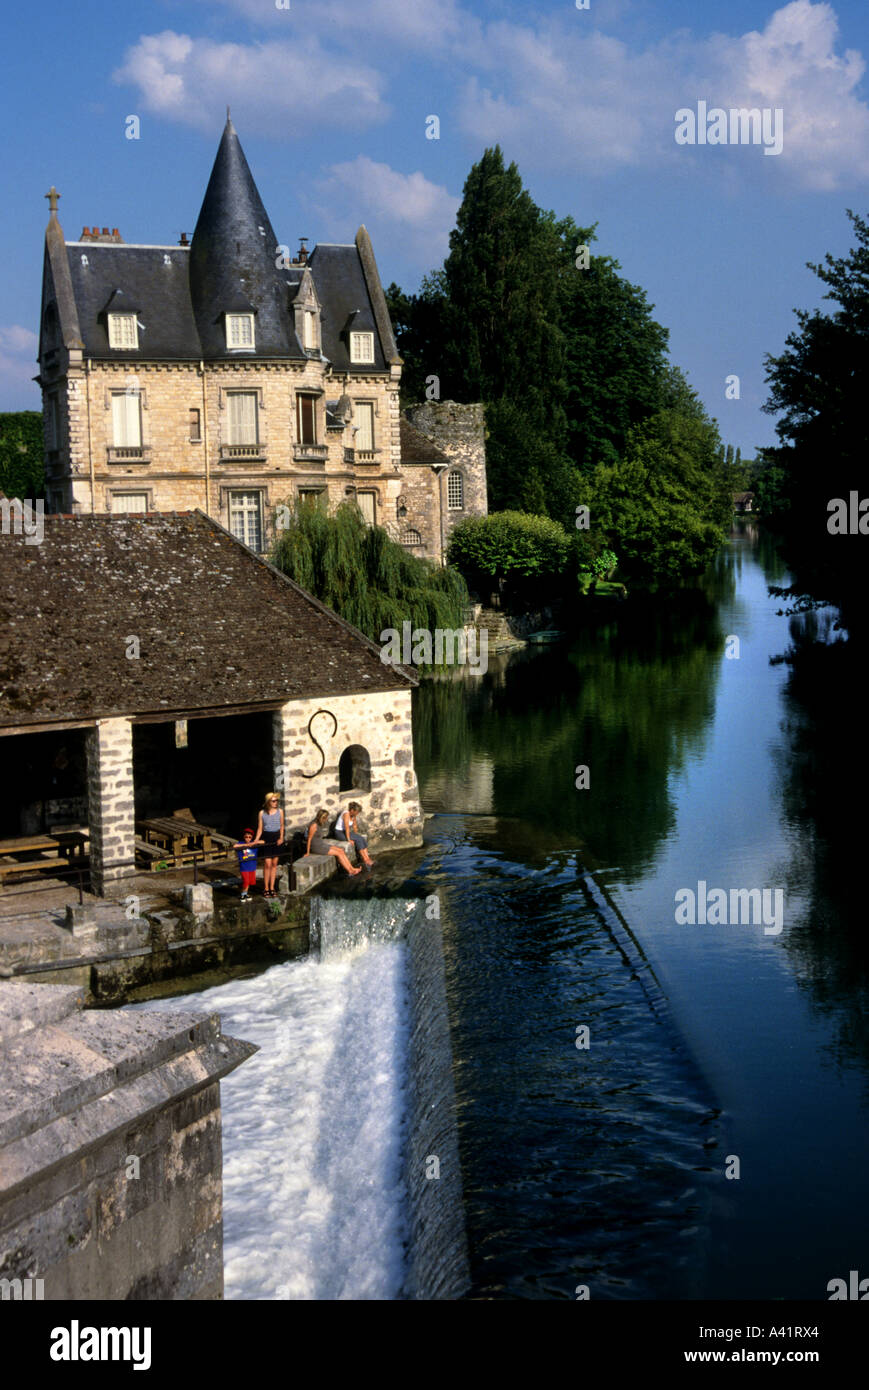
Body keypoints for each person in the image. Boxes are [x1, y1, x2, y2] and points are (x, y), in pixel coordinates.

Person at [306, 809, 361, 876]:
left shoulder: (319, 823)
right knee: (338, 853)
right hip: (316, 847)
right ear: (322, 817)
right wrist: (308, 852)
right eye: (326, 818)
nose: (327, 820)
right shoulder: (314, 825)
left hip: (321, 844)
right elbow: (309, 839)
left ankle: (352, 868)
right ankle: (350, 871)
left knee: (341, 850)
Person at [256, 792, 284, 898]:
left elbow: (281, 826)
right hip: (266, 837)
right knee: (267, 863)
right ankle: (266, 888)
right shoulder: (261, 813)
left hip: (276, 838)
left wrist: (281, 837)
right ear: (268, 802)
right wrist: (255, 841)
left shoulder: (280, 812)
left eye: (276, 800)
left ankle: (272, 887)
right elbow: (260, 828)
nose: (276, 802)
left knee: (274, 863)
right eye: (273, 801)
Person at [333, 801, 374, 868]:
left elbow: (354, 825)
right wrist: (349, 839)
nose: (357, 814)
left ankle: (367, 858)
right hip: (339, 833)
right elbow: (347, 828)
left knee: (361, 838)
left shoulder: (353, 815)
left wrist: (356, 835)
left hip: (344, 831)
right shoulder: (346, 814)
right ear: (352, 810)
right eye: (356, 812)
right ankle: (365, 859)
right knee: (358, 840)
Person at [232, 827, 262, 901]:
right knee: (246, 881)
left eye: (249, 837)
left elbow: (263, 842)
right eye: (246, 837)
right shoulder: (241, 843)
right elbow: (234, 846)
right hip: (244, 867)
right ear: (244, 837)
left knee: (250, 882)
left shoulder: (253, 844)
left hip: (252, 867)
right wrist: (245, 845)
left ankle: (245, 894)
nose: (248, 838)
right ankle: (242, 894)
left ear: (252, 837)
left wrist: (254, 842)